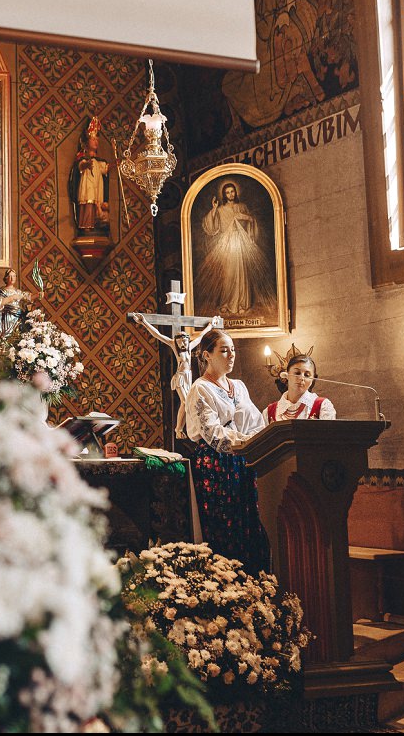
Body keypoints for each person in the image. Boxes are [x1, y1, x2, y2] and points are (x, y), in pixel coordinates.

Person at [184, 329, 270, 575]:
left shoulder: (239, 387)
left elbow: (255, 422)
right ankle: (224, 583)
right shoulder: (200, 389)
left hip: (244, 460)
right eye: (223, 350)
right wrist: (244, 441)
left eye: (232, 349)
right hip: (217, 464)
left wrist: (258, 440)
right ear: (207, 355)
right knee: (225, 525)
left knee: (249, 524)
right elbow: (212, 434)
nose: (231, 354)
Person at [133, 312, 222, 439]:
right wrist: (144, 322)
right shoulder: (174, 346)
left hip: (188, 377)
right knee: (185, 402)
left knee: (190, 402)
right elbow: (158, 335)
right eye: (181, 342)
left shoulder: (190, 348)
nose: (183, 344)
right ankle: (178, 429)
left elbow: (201, 336)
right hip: (180, 378)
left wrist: (211, 325)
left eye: (185, 341)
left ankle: (188, 428)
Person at [195, 180, 274, 316]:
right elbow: (211, 227)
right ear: (224, 195)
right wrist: (214, 209)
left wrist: (245, 218)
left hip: (241, 242)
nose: (230, 194)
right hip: (227, 243)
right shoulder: (220, 210)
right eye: (227, 192)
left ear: (235, 193)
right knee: (228, 274)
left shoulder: (242, 206)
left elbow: (251, 221)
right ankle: (226, 302)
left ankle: (243, 303)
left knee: (242, 273)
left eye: (232, 191)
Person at [263, 354, 337, 423]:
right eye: (297, 373)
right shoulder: (268, 412)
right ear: (286, 375)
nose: (301, 378)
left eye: (307, 375)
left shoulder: (323, 406)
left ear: (312, 379)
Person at [68, 120, 110, 231]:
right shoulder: (82, 159)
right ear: (87, 142)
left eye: (97, 139)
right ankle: (86, 226)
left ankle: (97, 224)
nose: (96, 142)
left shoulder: (100, 161)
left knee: (97, 204)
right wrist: (87, 164)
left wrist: (118, 162)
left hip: (97, 187)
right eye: (93, 139)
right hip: (87, 187)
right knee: (88, 202)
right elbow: (80, 167)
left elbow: (106, 170)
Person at [0, 269, 32, 337]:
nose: (12, 278)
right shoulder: (2, 291)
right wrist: (12, 298)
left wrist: (38, 295)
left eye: (14, 276)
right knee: (8, 337)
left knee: (18, 337)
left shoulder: (18, 291)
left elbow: (27, 298)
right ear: (6, 278)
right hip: (7, 317)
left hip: (18, 317)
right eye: (10, 276)